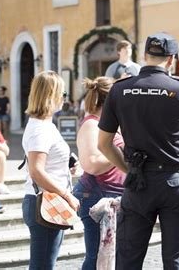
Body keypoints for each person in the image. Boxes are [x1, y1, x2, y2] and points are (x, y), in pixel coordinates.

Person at [98, 32, 179, 269]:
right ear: (171, 59)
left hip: (138, 181)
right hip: (175, 181)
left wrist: (128, 168)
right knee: (176, 256)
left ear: (144, 55)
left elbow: (103, 144)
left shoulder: (120, 89)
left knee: (129, 257)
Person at [22, 71, 80, 269]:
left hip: (46, 200)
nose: (65, 99)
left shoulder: (43, 124)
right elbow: (36, 171)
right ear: (51, 96)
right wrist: (66, 195)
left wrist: (67, 164)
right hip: (45, 201)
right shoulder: (41, 128)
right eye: (63, 94)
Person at [73, 76, 125, 270]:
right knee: (96, 258)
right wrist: (123, 152)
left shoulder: (110, 124)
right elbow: (92, 165)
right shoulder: (91, 125)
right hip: (96, 196)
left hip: (114, 196)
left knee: (111, 258)